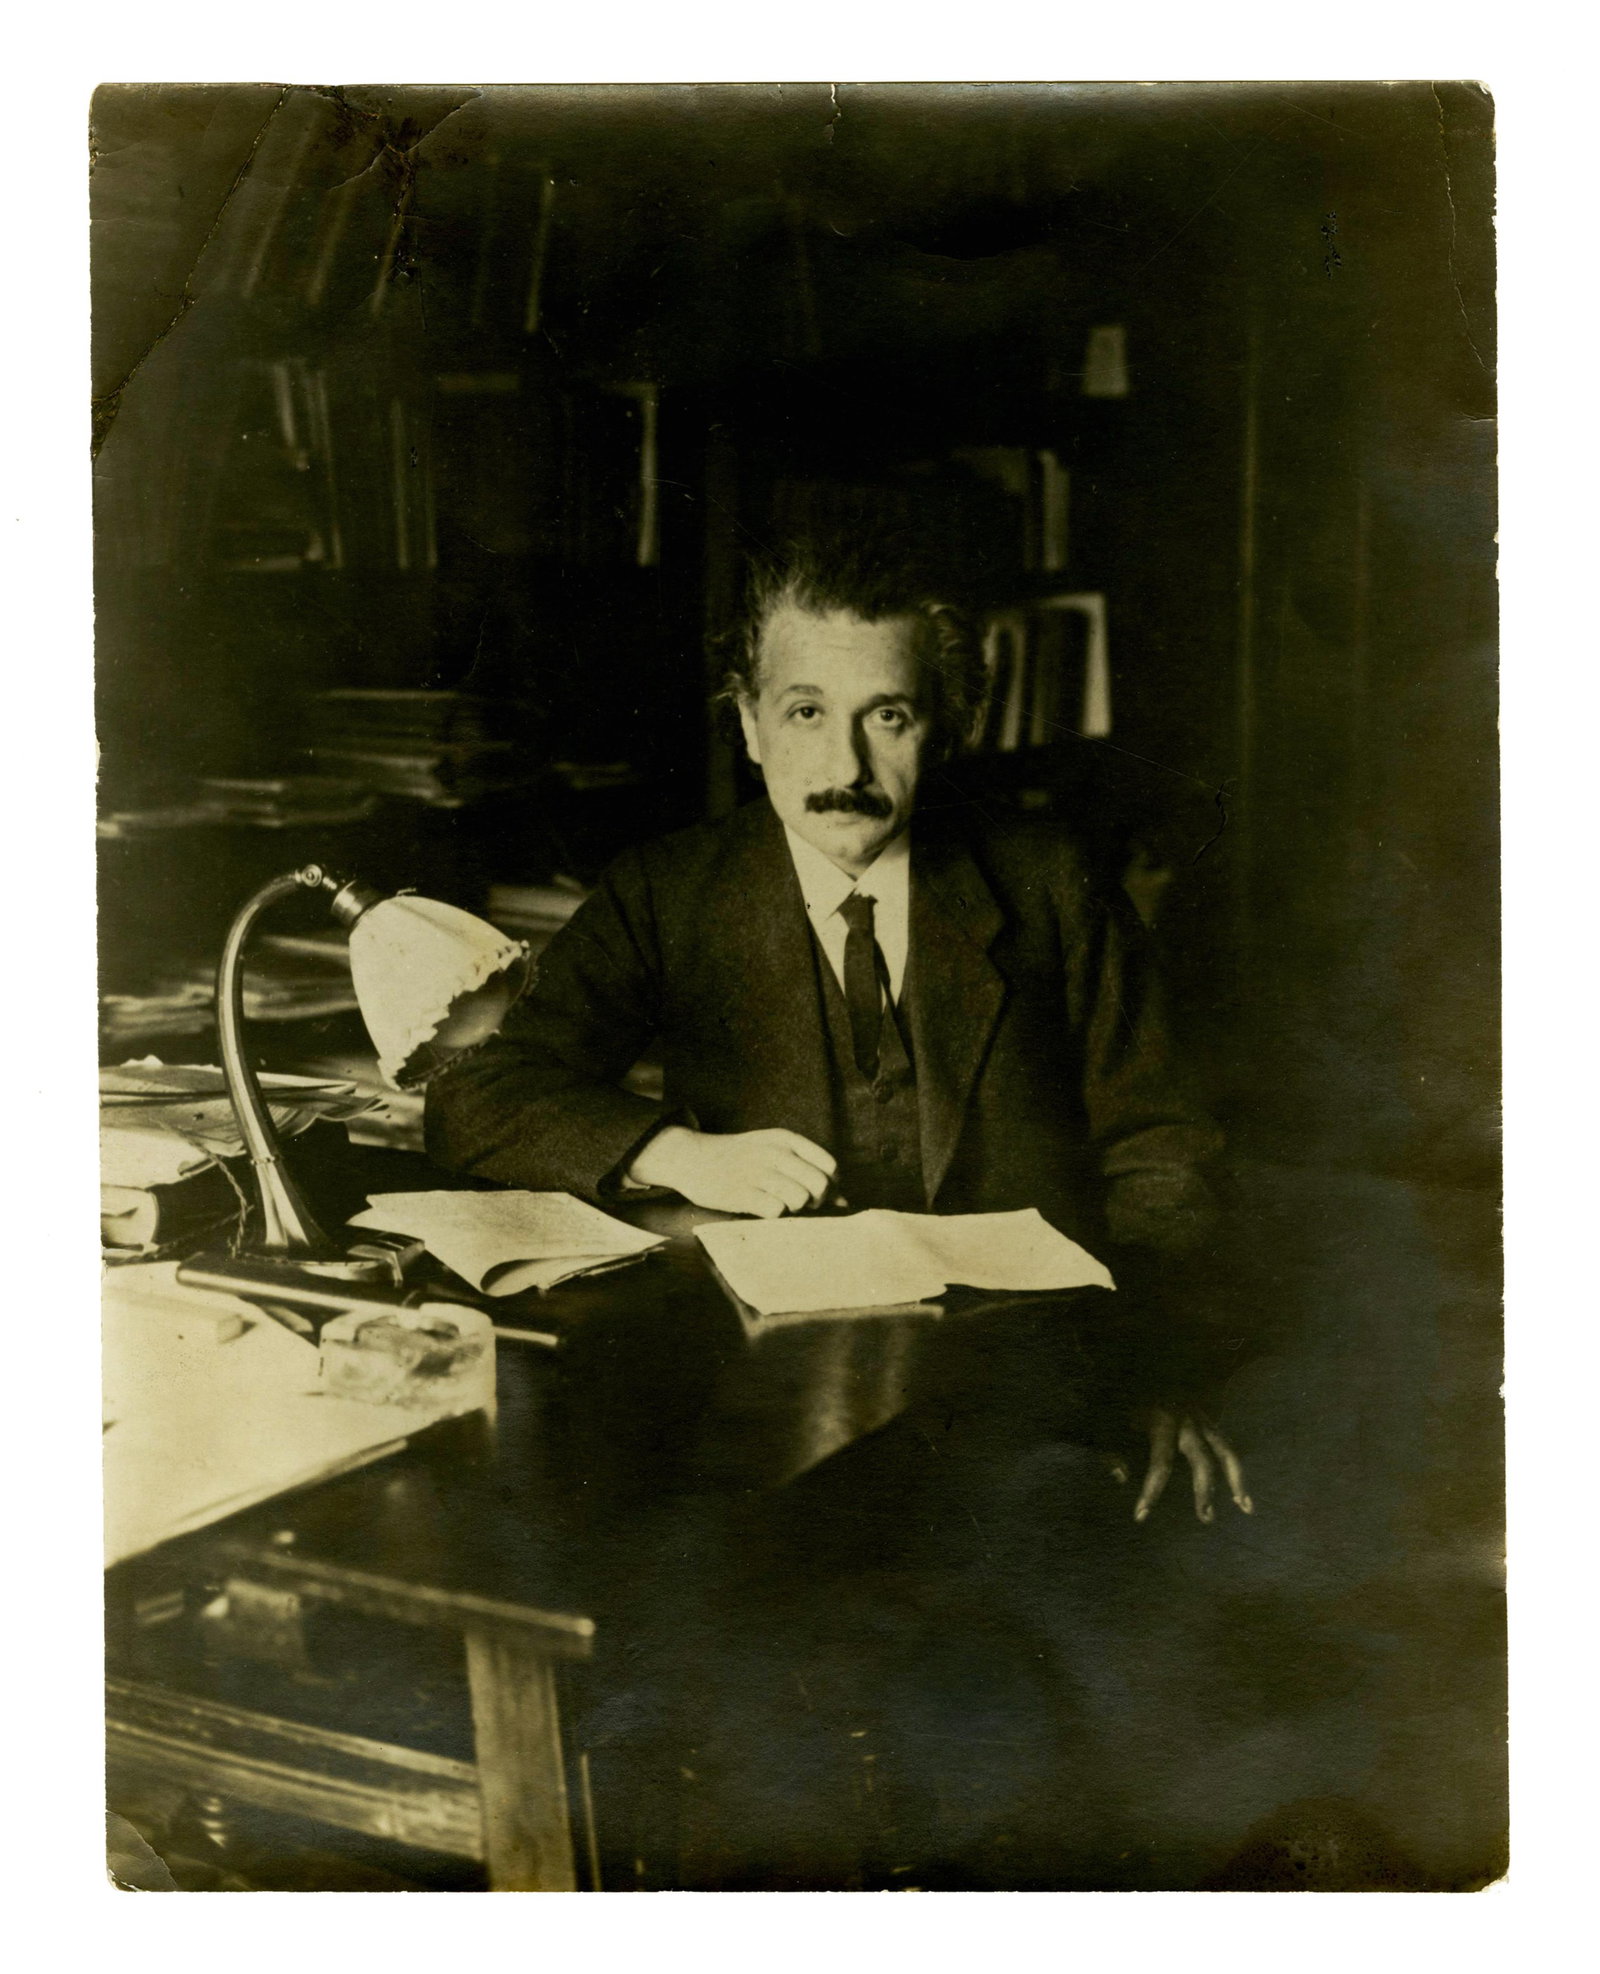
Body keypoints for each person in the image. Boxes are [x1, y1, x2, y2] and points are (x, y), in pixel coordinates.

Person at [427, 528, 1249, 1522]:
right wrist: (673, 1151)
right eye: (805, 712)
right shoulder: (669, 892)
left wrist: (1155, 1378)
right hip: (774, 1392)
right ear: (749, 727)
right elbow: (477, 1096)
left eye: (887, 717)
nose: (843, 764)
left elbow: (1160, 1152)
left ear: (941, 729)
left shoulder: (1050, 883)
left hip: (1031, 1390)